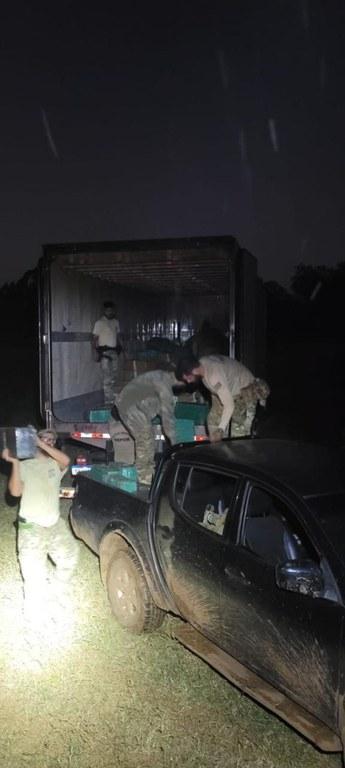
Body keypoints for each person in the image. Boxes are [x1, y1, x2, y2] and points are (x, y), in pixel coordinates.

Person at [1, 428, 79, 616]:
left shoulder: (55, 464)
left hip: (54, 523)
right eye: (45, 438)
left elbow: (67, 461)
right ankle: (33, 615)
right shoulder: (26, 465)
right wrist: (15, 463)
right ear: (31, 441)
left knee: (70, 556)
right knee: (34, 575)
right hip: (31, 527)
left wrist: (40, 443)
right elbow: (15, 493)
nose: (48, 441)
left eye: (52, 440)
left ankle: (58, 590)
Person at [175, 354, 270, 441]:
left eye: (188, 377)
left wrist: (221, 429)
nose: (188, 381)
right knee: (213, 420)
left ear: (194, 370)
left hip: (245, 390)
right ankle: (219, 451)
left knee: (238, 433)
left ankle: (239, 454)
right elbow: (215, 390)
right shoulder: (202, 365)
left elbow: (229, 405)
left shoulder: (214, 375)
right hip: (229, 388)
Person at [110, 370, 178, 485]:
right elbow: (167, 421)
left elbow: (165, 414)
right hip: (129, 410)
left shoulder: (162, 386)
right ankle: (142, 479)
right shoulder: (163, 386)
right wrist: (175, 445)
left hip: (131, 410)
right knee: (144, 442)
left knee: (148, 442)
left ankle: (147, 477)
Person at [92, 301, 123, 404]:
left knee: (114, 374)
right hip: (104, 352)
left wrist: (122, 349)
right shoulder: (99, 323)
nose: (110, 312)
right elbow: (95, 339)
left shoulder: (115, 322)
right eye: (108, 310)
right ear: (105, 311)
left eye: (111, 310)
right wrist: (95, 352)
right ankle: (108, 400)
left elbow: (118, 337)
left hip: (114, 351)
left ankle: (113, 397)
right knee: (107, 376)